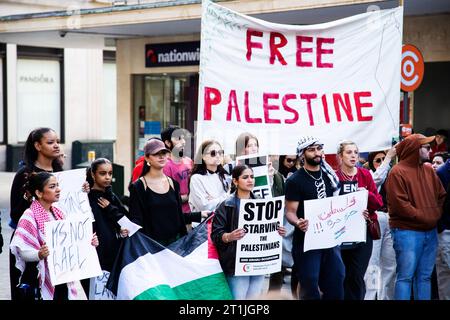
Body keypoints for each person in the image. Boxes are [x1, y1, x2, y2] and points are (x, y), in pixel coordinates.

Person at [10, 172, 99, 300]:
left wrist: (88, 242)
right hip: (38, 279)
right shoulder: (29, 216)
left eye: (57, 185)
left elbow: (70, 243)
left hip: (60, 278)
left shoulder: (59, 213)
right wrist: (39, 254)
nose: (58, 189)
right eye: (52, 187)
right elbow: (22, 251)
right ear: (39, 193)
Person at [385, 134, 446, 300]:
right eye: (426, 147)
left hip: (429, 230)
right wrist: (427, 216)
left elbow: (441, 195)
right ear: (414, 149)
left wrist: (434, 214)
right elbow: (400, 205)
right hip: (407, 231)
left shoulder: (428, 169)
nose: (431, 150)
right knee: (405, 277)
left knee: (424, 277)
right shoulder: (397, 172)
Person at [211, 165, 286, 299]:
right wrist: (229, 236)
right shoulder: (226, 205)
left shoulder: (262, 202)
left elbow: (268, 228)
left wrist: (277, 231)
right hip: (236, 264)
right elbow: (216, 235)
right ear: (235, 181)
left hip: (259, 262)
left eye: (252, 177)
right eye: (245, 177)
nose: (250, 180)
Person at [284, 136, 345, 300]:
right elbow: (290, 211)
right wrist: (298, 222)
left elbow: (338, 205)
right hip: (306, 241)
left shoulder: (329, 176)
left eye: (319, 148)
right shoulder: (295, 180)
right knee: (310, 283)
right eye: (311, 150)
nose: (317, 153)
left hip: (330, 240)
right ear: (302, 154)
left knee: (336, 280)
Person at [9, 127, 62, 300]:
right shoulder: (24, 175)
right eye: (50, 142)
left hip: (58, 246)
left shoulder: (62, 173)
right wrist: (29, 199)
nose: (56, 146)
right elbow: (15, 215)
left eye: (57, 142)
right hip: (31, 245)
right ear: (38, 146)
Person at [129, 138, 206, 246]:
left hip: (176, 245)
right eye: (156, 154)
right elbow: (137, 221)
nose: (161, 157)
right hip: (152, 247)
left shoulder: (173, 183)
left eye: (164, 153)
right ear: (147, 158)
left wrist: (201, 214)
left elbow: (177, 216)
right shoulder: (138, 186)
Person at [335, 141, 383, 300]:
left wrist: (366, 194)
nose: (353, 155)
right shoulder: (334, 177)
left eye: (356, 152)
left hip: (362, 234)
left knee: (356, 276)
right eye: (348, 152)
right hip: (339, 234)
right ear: (340, 156)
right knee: (340, 275)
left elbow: (378, 203)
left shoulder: (365, 174)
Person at [364, 148, 397, 300]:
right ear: (371, 163)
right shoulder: (369, 175)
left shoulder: (393, 175)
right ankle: (370, 297)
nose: (383, 163)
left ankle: (386, 298)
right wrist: (388, 157)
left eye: (383, 159)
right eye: (378, 160)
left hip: (391, 219)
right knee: (373, 264)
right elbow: (377, 178)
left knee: (390, 265)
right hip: (375, 218)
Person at [86, 158, 128, 272]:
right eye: (102, 173)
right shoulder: (86, 198)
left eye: (110, 173)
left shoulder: (112, 196)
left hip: (115, 250)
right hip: (95, 251)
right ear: (93, 174)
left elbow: (125, 220)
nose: (107, 177)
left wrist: (110, 208)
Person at [189, 140, 230, 213]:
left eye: (220, 153)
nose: (218, 156)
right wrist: (227, 196)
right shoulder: (196, 178)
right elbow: (205, 206)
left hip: (224, 221)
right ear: (203, 156)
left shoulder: (225, 176)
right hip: (205, 222)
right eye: (213, 153)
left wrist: (214, 200)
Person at [161, 126, 193, 214]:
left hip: (193, 213)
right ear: (167, 143)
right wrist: (190, 196)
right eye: (179, 139)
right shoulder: (165, 165)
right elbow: (168, 197)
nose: (183, 142)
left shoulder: (188, 161)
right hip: (176, 215)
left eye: (183, 138)